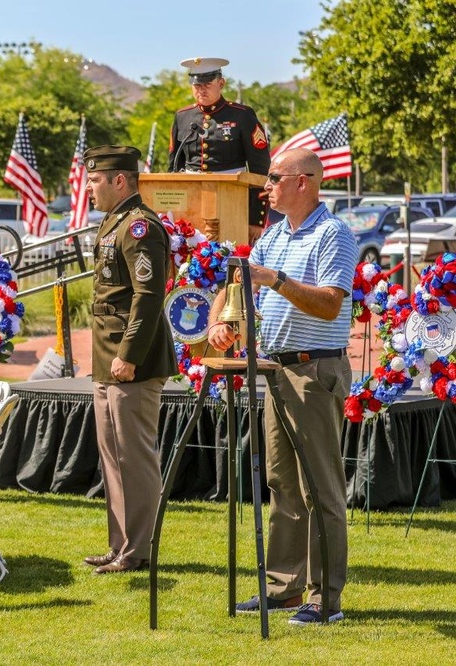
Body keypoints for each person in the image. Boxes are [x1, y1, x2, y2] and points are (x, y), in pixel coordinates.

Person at [207, 148, 358, 625]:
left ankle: (324, 599)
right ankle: (285, 588)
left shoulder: (333, 234)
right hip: (276, 371)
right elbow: (237, 286)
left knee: (321, 487)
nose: (266, 187)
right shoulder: (274, 234)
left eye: (273, 178)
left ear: (303, 182)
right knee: (282, 484)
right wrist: (221, 322)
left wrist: (277, 279)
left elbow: (331, 305)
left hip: (315, 372)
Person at [82, 145, 177, 574]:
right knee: (112, 456)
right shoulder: (113, 222)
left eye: (95, 181)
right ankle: (120, 544)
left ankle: (139, 549)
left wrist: (128, 356)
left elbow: (149, 296)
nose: (88, 189)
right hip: (109, 359)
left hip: (131, 362)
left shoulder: (140, 227)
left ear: (120, 180)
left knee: (134, 457)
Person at [168, 57, 270, 243]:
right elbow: (173, 167)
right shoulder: (182, 117)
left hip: (232, 202)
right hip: (190, 206)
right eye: (196, 85)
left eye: (207, 83)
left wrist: (256, 218)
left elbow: (261, 170)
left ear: (221, 83)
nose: (201, 89)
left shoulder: (242, 115)